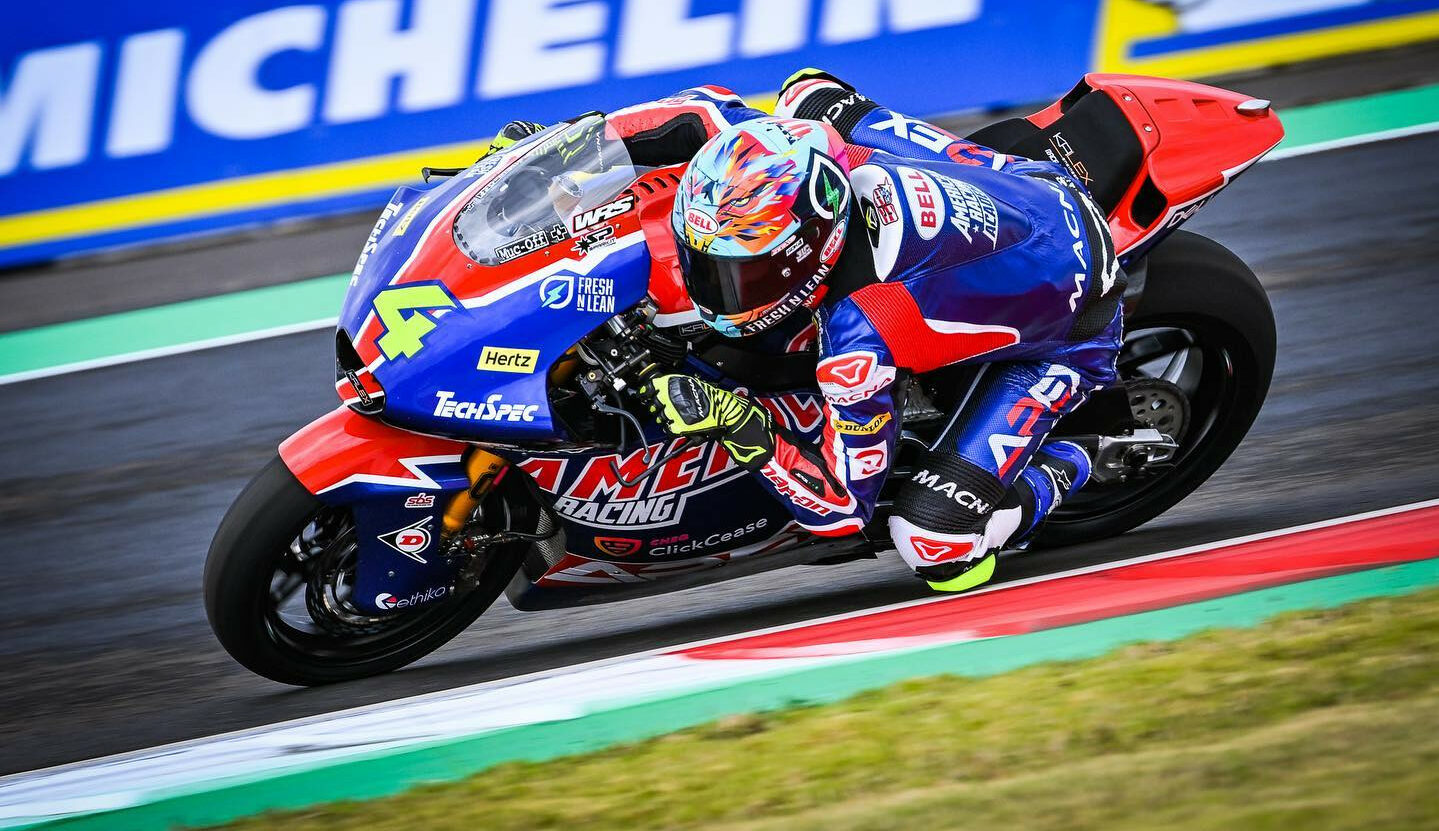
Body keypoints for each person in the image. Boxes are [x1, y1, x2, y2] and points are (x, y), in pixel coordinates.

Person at [509, 70, 1124, 592]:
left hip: (1075, 317)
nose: (711, 286)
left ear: (805, 255)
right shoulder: (797, 149)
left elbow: (839, 510)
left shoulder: (860, 343)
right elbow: (700, 110)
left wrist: (733, 419)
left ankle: (1075, 462)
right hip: (1022, 187)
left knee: (936, 546)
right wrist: (557, 158)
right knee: (807, 93)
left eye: (734, 275)